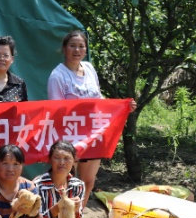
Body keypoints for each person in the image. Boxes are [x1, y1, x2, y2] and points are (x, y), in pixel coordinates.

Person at [47, 30, 136, 208]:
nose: (77, 50)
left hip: (92, 135)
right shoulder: (57, 76)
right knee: (65, 183)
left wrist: (121, 107)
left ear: (86, 50)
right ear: (64, 48)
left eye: (81, 46)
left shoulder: (89, 68)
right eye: (72, 45)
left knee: (88, 182)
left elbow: (99, 99)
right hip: (69, 137)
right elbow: (56, 111)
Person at [32, 141, 96, 218]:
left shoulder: (78, 185)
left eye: (67, 158)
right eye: (57, 157)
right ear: (50, 160)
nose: (62, 162)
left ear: (73, 161)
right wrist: (56, 209)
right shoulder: (37, 185)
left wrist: (75, 210)